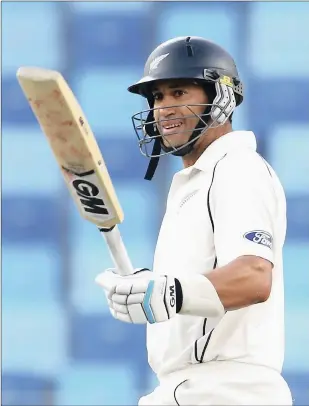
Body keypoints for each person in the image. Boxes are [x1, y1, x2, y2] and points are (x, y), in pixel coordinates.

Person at [95, 36, 293, 405]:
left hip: (227, 391)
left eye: (179, 92)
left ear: (221, 100)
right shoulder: (196, 181)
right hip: (186, 389)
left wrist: (168, 292)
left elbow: (253, 277)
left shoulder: (237, 168)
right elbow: (187, 288)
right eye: (157, 97)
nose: (164, 108)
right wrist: (149, 288)